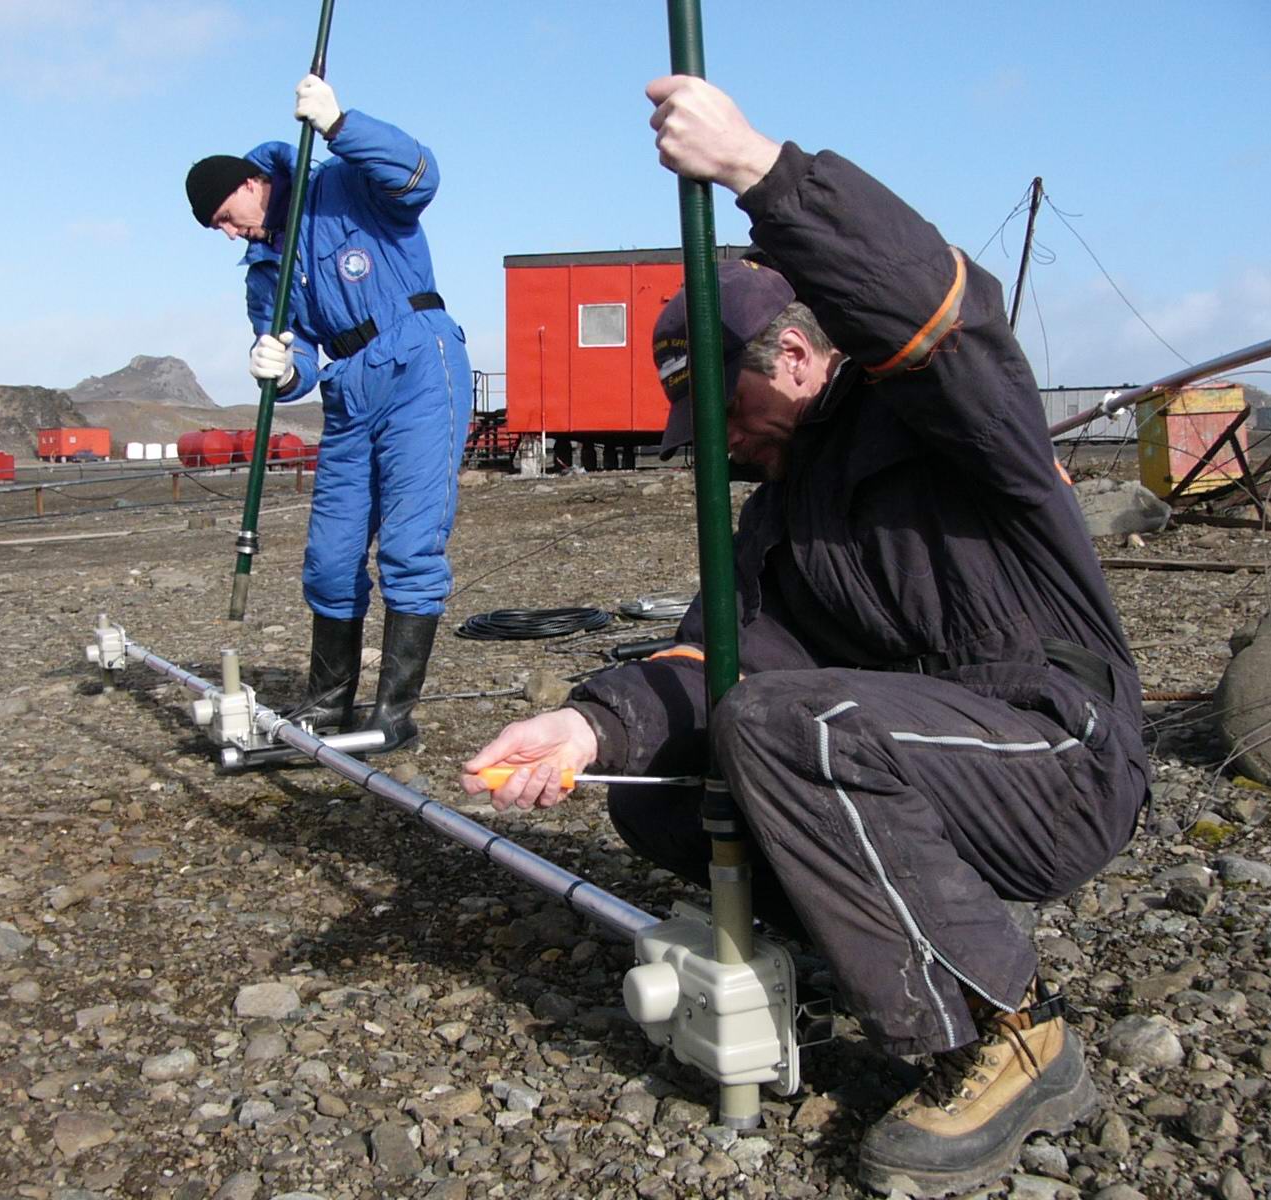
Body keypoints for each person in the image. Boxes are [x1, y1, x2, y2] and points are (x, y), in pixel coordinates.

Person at [461, 76, 1148, 1198]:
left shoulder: (947, 419)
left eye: (724, 413)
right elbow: (713, 661)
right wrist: (588, 728)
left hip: (1059, 755)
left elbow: (932, 305)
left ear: (791, 357)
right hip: (918, 762)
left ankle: (1011, 1033)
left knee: (789, 725)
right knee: (663, 789)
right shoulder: (777, 520)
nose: (719, 444)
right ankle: (863, 948)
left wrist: (759, 171)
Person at [185, 75, 472, 752]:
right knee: (330, 558)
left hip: (418, 362)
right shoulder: (265, 272)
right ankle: (327, 701)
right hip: (348, 392)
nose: (228, 233)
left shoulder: (344, 182)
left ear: (252, 182)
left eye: (225, 216)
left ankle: (393, 715)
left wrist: (342, 125)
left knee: (409, 546)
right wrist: (283, 370)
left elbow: (420, 176)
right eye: (217, 228)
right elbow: (298, 355)